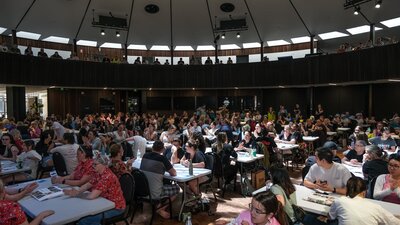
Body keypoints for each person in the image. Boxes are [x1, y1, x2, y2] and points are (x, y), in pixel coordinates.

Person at [63, 155, 126, 225]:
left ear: (103, 165)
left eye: (95, 164)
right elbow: (88, 184)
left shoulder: (107, 177)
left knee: (84, 220)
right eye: (93, 164)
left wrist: (77, 194)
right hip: (105, 203)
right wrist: (77, 191)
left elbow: (91, 196)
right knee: (83, 215)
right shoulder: (98, 173)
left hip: (116, 208)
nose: (93, 166)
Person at [328, 177, 400, 225]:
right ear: (364, 191)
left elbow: (331, 217)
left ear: (347, 189)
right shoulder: (375, 207)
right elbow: (395, 222)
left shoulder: (339, 201)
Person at [140, 140, 180, 218]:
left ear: (152, 148)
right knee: (177, 189)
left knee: (159, 182)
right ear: (162, 149)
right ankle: (160, 209)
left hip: (143, 191)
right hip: (155, 193)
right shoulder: (162, 159)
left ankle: (158, 205)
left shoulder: (145, 155)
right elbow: (174, 173)